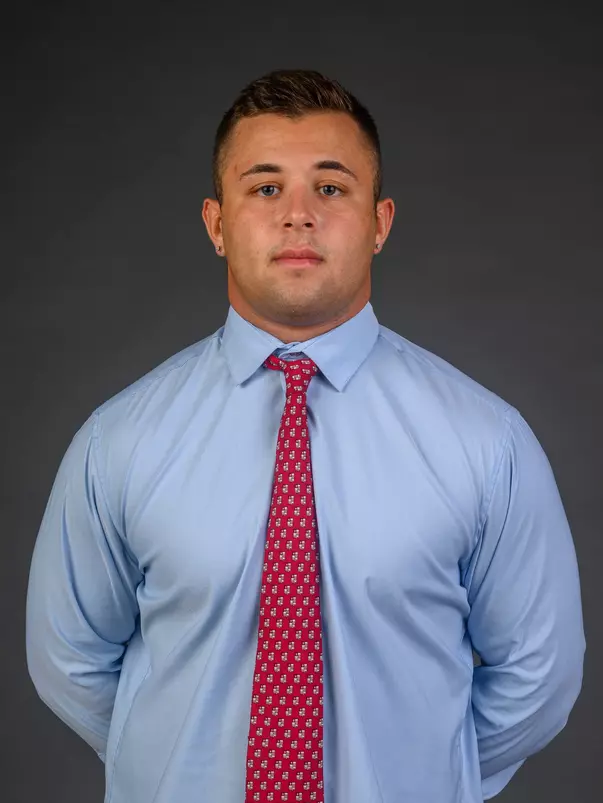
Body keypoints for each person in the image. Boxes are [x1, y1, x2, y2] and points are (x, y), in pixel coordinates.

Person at [26, 68, 586, 803]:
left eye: (329, 187)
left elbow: (538, 675)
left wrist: (417, 770)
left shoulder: (484, 440)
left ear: (379, 222)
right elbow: (68, 657)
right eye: (264, 188)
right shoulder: (120, 439)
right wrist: (164, 758)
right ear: (216, 223)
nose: (297, 215)